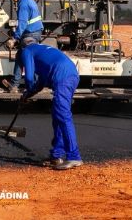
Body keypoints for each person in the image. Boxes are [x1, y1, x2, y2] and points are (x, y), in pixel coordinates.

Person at [18, 38, 83, 170]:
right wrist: (28, 95)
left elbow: (30, 78)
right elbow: (40, 83)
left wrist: (27, 90)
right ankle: (57, 155)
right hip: (72, 75)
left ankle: (74, 157)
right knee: (58, 116)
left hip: (63, 78)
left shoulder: (27, 51)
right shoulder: (42, 51)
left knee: (63, 116)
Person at [2, 0, 44, 93]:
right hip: (34, 32)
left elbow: (22, 23)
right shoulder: (28, 0)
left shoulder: (23, 4)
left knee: (29, 57)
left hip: (30, 34)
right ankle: (15, 84)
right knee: (20, 56)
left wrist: (14, 39)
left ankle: (33, 85)